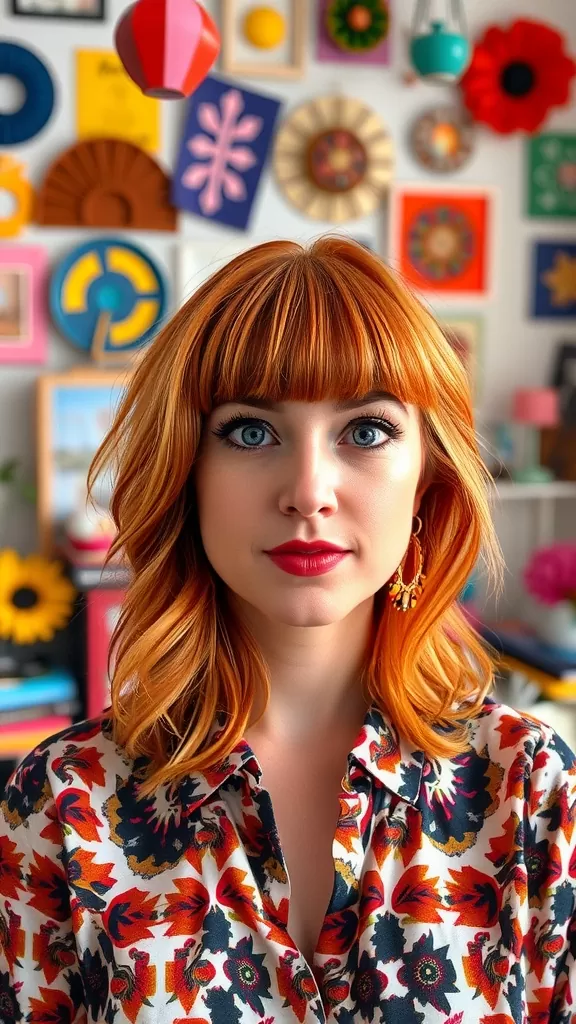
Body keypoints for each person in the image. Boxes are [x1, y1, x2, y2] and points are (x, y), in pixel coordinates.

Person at [1, 237, 575, 1023]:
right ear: (185, 472)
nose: (308, 490)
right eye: (248, 431)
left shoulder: (533, 790)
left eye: (366, 430)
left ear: (428, 481)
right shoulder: (62, 803)